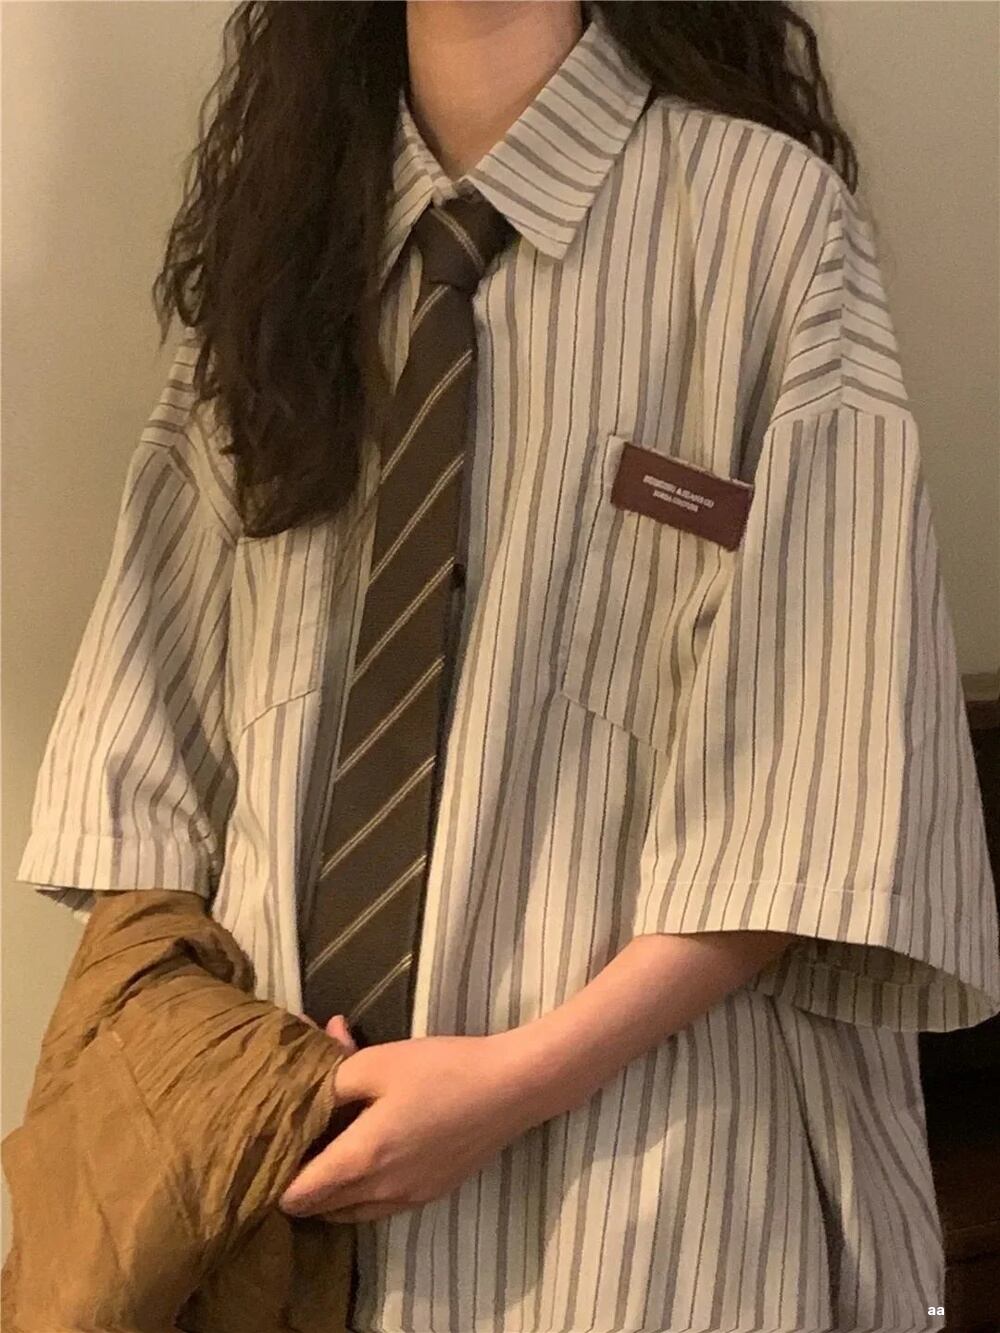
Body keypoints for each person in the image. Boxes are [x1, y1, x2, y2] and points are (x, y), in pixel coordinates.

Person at [13, 2, 999, 1331]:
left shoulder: (765, 225)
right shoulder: (281, 248)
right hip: (290, 1195)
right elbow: (147, 738)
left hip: (653, 1192)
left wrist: (509, 1087)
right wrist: (221, 1089)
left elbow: (820, 778)